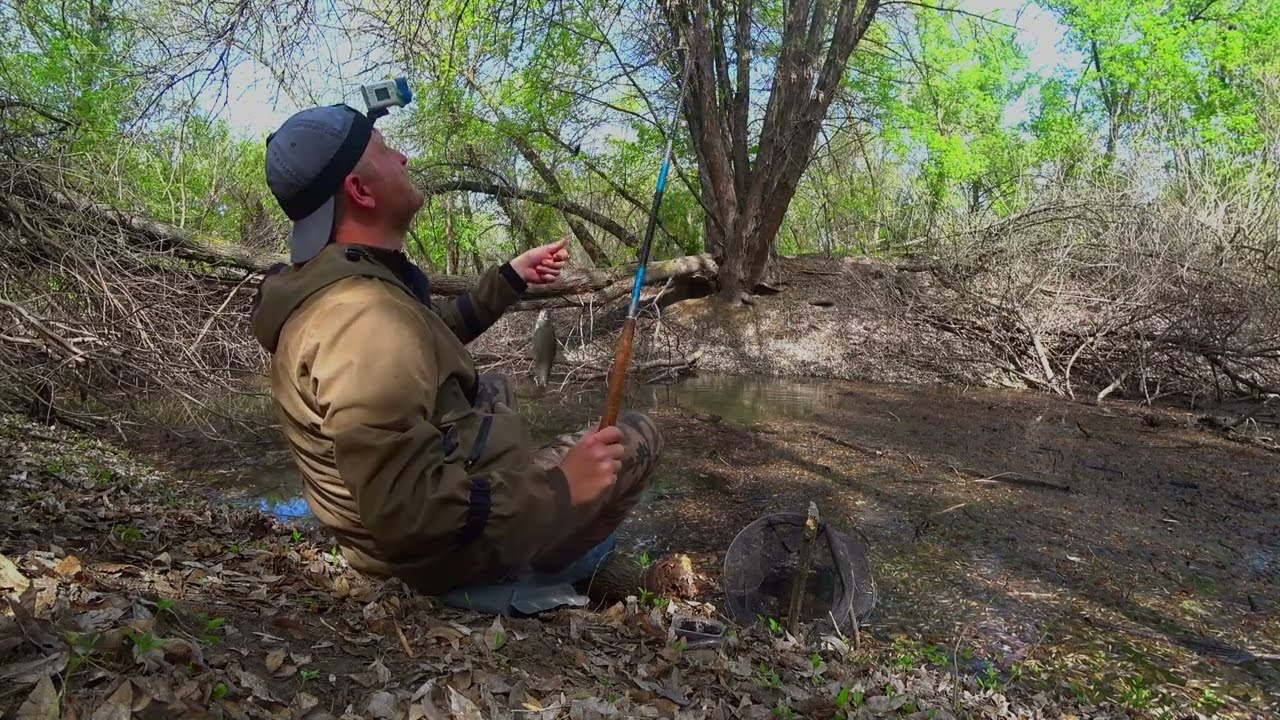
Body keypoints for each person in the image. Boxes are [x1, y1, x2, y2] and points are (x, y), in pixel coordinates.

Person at [247, 102, 664, 599]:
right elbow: (411, 512)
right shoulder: (362, 319)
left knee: (491, 390)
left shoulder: (343, 289)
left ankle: (540, 525)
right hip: (442, 559)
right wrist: (561, 490)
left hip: (418, 531)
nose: (402, 157)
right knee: (638, 434)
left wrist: (510, 279)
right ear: (359, 191)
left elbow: (424, 339)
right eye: (384, 152)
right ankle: (544, 566)